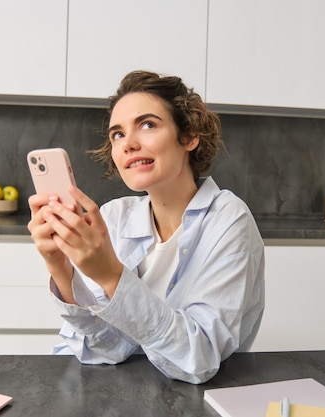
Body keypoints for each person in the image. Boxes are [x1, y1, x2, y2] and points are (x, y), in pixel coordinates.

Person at [27, 70, 265, 384]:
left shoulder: (229, 220)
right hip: (113, 392)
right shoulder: (114, 217)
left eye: (148, 124)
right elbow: (105, 349)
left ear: (189, 135)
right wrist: (60, 269)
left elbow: (199, 359)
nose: (128, 144)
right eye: (117, 134)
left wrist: (110, 275)